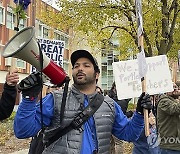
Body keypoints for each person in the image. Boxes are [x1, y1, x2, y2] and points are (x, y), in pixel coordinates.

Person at [14, 49, 152, 154]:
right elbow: (23, 131)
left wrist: (140, 113)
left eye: (86, 65)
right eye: (76, 66)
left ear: (97, 75)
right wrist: (28, 98)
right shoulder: (55, 99)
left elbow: (129, 134)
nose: (80, 68)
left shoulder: (109, 104)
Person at [157, 82, 180, 154]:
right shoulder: (163, 101)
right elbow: (175, 109)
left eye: (176, 87)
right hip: (170, 146)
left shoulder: (175, 101)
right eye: (172, 87)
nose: (175, 89)